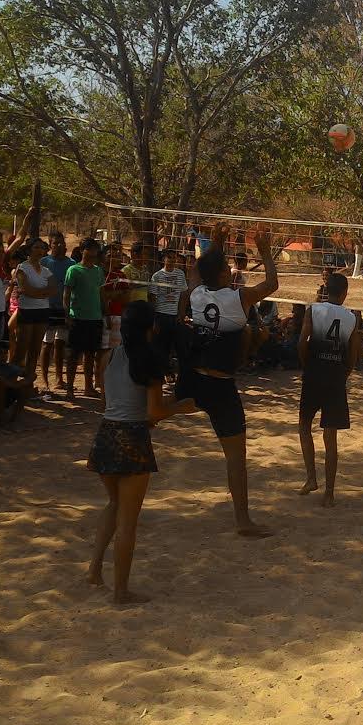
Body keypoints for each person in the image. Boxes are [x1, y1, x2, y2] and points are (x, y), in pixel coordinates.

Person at [85, 300, 196, 605]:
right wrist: (180, 408)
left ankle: (94, 569)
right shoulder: (150, 360)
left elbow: (110, 401)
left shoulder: (108, 356)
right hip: (132, 439)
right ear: (152, 328)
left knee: (113, 504)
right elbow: (154, 412)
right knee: (128, 521)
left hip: (106, 435)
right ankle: (120, 591)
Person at [178, 226, 278, 537]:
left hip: (192, 379)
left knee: (160, 411)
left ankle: (144, 417)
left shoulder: (196, 293)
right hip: (221, 385)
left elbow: (196, 272)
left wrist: (217, 242)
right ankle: (243, 521)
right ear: (224, 274)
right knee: (236, 457)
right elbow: (272, 284)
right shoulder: (239, 298)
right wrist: (265, 250)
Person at [297, 272, 361, 506]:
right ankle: (329, 493)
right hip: (335, 377)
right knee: (330, 436)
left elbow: (302, 342)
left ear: (326, 289)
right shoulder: (351, 317)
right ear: (344, 294)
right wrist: (346, 372)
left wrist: (306, 365)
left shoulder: (313, 310)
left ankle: (311, 478)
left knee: (304, 425)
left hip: (314, 374)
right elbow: (353, 352)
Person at [63, 239, 107, 397]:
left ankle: (88, 387)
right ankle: (69, 388)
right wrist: (67, 315)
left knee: (90, 354)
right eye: (90, 249)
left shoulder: (98, 271)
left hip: (95, 318)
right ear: (82, 251)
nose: (93, 253)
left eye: (95, 250)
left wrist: (104, 313)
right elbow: (66, 294)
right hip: (78, 318)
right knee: (73, 355)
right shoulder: (73, 270)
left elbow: (101, 294)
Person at [11, 238, 54, 385]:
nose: (40, 250)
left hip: (43, 311)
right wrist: (42, 293)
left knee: (35, 350)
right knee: (21, 348)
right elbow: (25, 289)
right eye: (36, 247)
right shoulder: (22, 267)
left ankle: (28, 383)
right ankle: (11, 382)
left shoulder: (46, 270)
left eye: (42, 248)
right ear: (29, 250)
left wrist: (36, 293)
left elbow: (53, 289)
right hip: (27, 311)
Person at [39, 231, 75, 390]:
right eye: (56, 243)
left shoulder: (71, 263)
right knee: (47, 343)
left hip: (65, 309)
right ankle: (45, 379)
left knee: (60, 343)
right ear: (50, 245)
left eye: (62, 243)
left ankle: (59, 378)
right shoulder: (43, 262)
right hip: (47, 307)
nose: (59, 246)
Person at [148, 248, 188, 380]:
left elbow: (183, 295)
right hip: (161, 314)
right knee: (162, 346)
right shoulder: (157, 276)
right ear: (163, 259)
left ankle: (179, 373)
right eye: (169, 257)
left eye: (174, 257)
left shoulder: (180, 274)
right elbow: (152, 298)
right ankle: (164, 372)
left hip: (175, 315)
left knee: (178, 345)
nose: (172, 260)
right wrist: (154, 319)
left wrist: (181, 313)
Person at [0, 340, 33, 424]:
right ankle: (0, 418)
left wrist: (22, 382)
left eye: (5, 353)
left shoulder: (9, 367)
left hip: (5, 398)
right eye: (0, 353)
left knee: (26, 387)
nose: (4, 356)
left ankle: (15, 417)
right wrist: (15, 384)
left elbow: (32, 375)